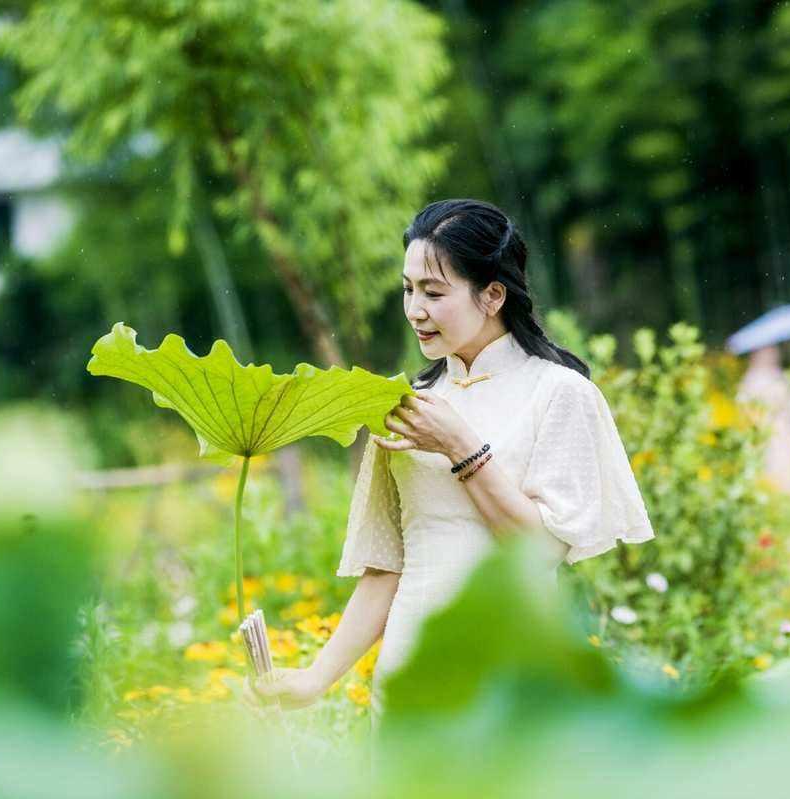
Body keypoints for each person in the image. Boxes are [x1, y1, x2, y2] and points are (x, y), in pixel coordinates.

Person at [246, 199, 654, 720]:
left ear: (492, 295)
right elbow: (384, 570)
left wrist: (461, 448)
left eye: (434, 293)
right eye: (408, 289)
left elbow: (541, 549)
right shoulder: (404, 404)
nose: (415, 309)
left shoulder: (557, 393)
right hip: (408, 674)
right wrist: (313, 680)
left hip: (512, 673)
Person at [736, 344, 790, 502]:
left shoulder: (780, 376)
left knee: (788, 474)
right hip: (765, 436)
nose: (772, 355)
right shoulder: (752, 380)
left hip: (785, 434)